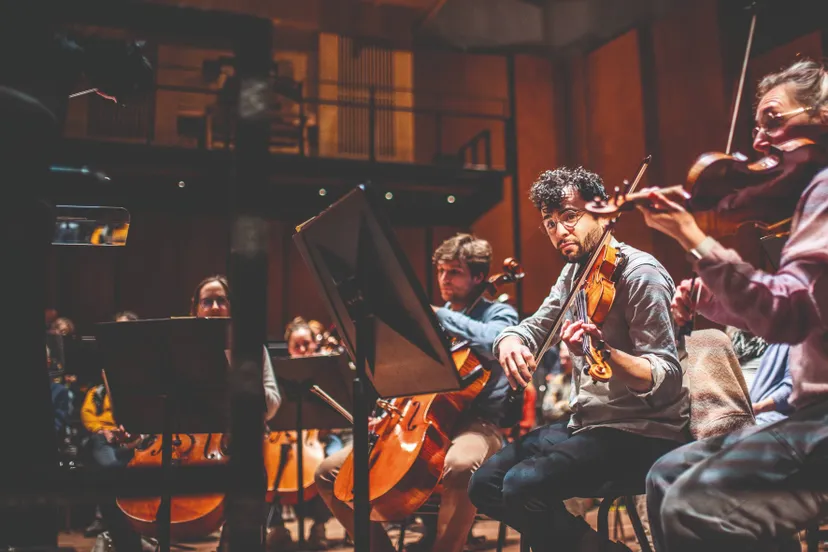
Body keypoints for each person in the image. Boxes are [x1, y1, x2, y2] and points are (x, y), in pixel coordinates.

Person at [638, 58, 828, 552]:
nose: (759, 141)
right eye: (756, 126)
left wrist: (697, 240)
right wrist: (720, 306)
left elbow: (788, 314)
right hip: (811, 417)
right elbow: (802, 315)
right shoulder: (811, 195)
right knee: (664, 477)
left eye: (774, 120)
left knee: (692, 505)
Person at [467, 166, 689, 552]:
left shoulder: (641, 275)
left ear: (602, 213)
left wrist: (606, 354)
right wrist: (509, 340)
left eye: (570, 217)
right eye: (550, 223)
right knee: (484, 484)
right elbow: (535, 327)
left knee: (523, 485)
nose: (559, 231)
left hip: (645, 433)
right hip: (587, 424)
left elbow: (667, 377)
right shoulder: (574, 275)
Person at [313, 233, 519, 552]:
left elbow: (494, 340)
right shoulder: (427, 321)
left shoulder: (497, 315)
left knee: (461, 465)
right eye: (440, 271)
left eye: (454, 271)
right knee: (328, 473)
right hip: (414, 422)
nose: (443, 279)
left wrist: (439, 315)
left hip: (477, 425)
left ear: (479, 276)